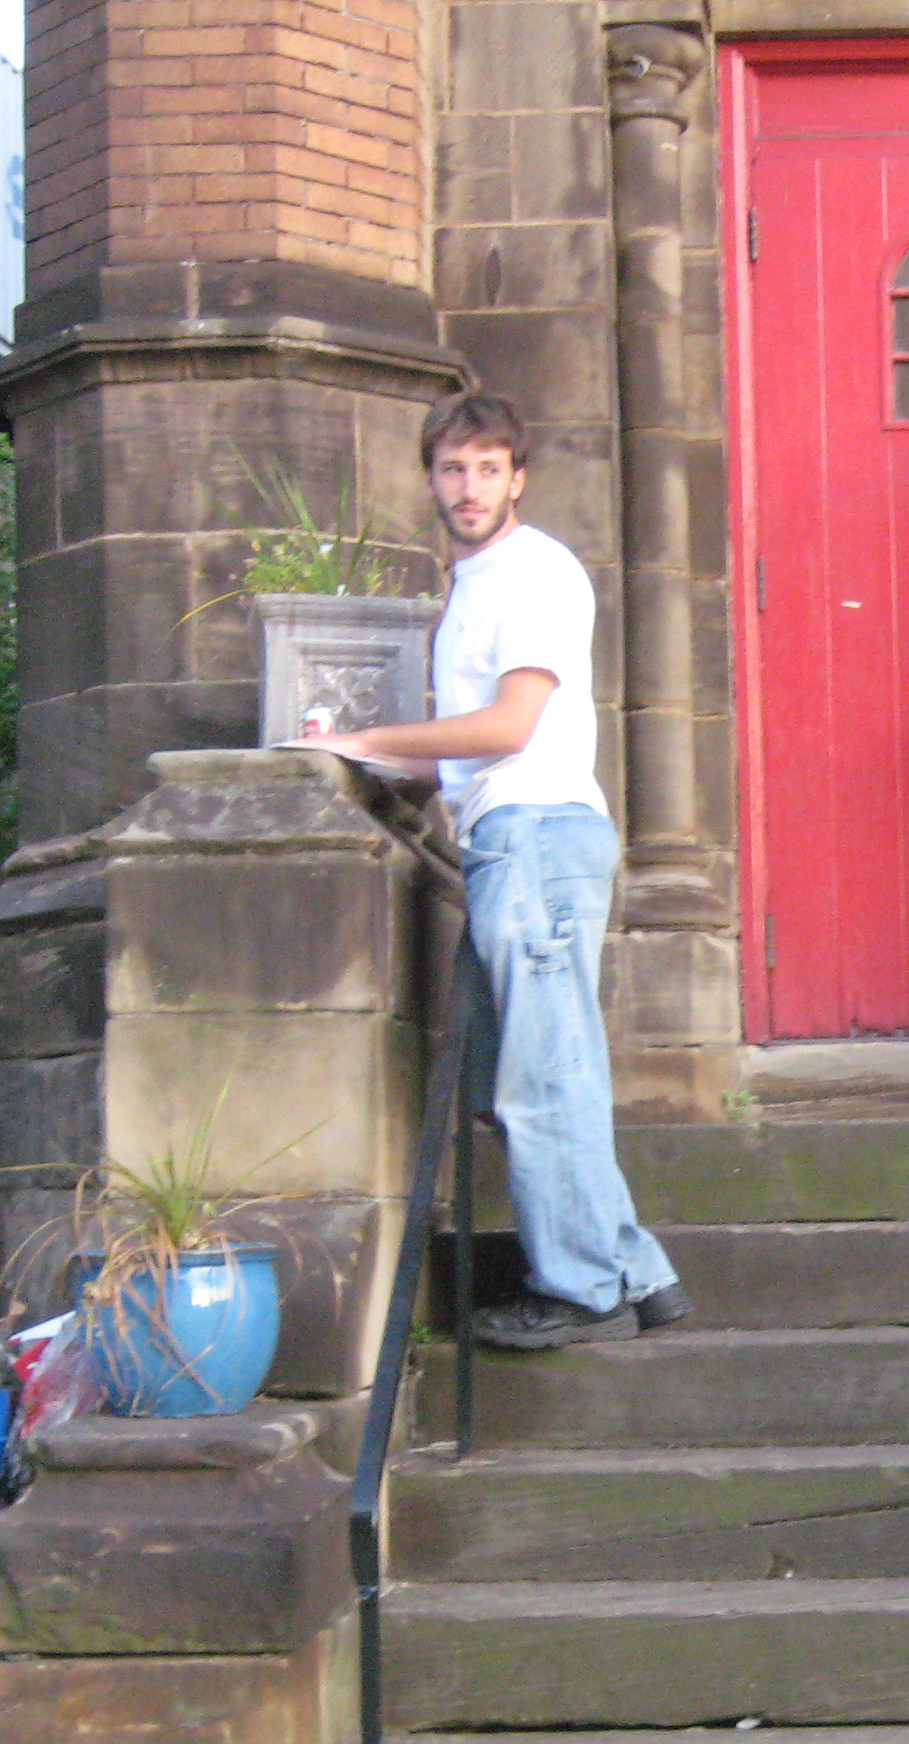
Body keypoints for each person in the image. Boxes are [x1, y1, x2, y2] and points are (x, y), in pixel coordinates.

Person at [320, 391, 685, 1349]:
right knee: (544, 1066)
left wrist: (369, 737)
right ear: (430, 478)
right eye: (453, 468)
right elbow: (467, 751)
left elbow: (510, 726)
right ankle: (636, 1272)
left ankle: (581, 1289)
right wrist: (363, 756)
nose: (469, 487)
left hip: (535, 836)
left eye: (489, 468)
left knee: (540, 1077)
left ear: (518, 479)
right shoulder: (474, 584)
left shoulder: (531, 572)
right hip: (517, 834)